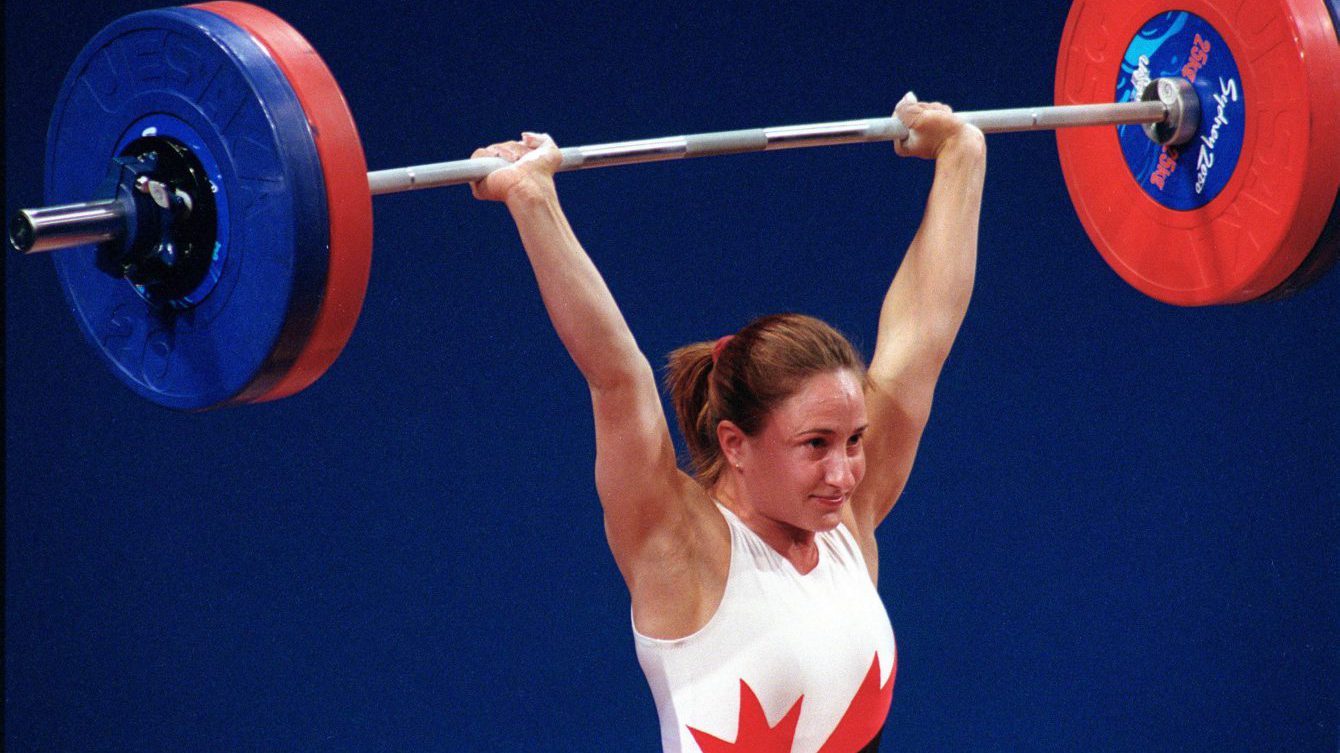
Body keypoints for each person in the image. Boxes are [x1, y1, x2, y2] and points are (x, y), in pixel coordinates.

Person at [470, 92, 985, 753]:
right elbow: (616, 376)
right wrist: (532, 199)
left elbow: (926, 332)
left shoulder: (845, 521)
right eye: (816, 444)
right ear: (736, 444)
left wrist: (962, 155)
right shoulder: (678, 546)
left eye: (854, 440)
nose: (844, 472)